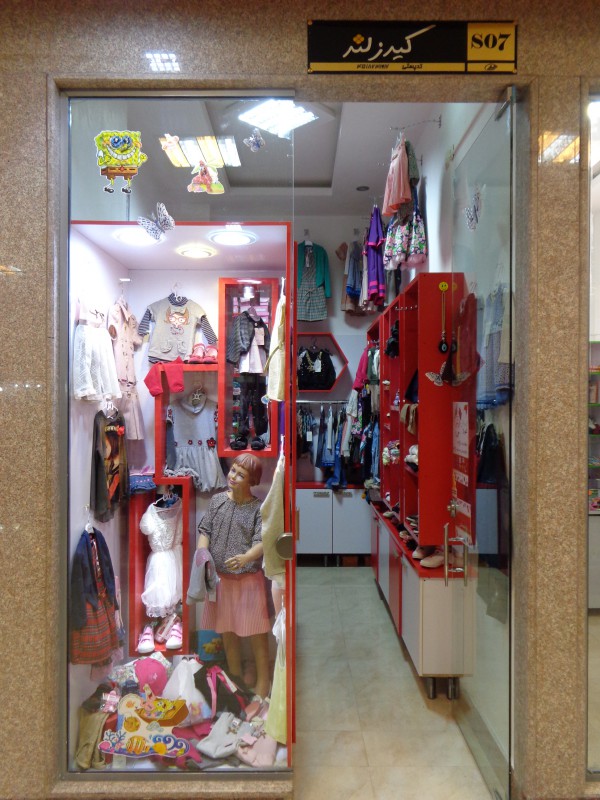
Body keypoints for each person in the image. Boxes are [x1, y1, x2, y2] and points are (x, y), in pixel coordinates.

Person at [197, 454, 271, 698]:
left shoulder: (258, 508)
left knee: (257, 631)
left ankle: (263, 681)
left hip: (249, 580)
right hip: (220, 580)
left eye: (241, 474)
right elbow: (205, 530)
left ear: (252, 480)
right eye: (233, 471)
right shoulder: (217, 501)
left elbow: (263, 541)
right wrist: (202, 553)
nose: (234, 477)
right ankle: (235, 679)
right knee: (227, 630)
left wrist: (246, 557)